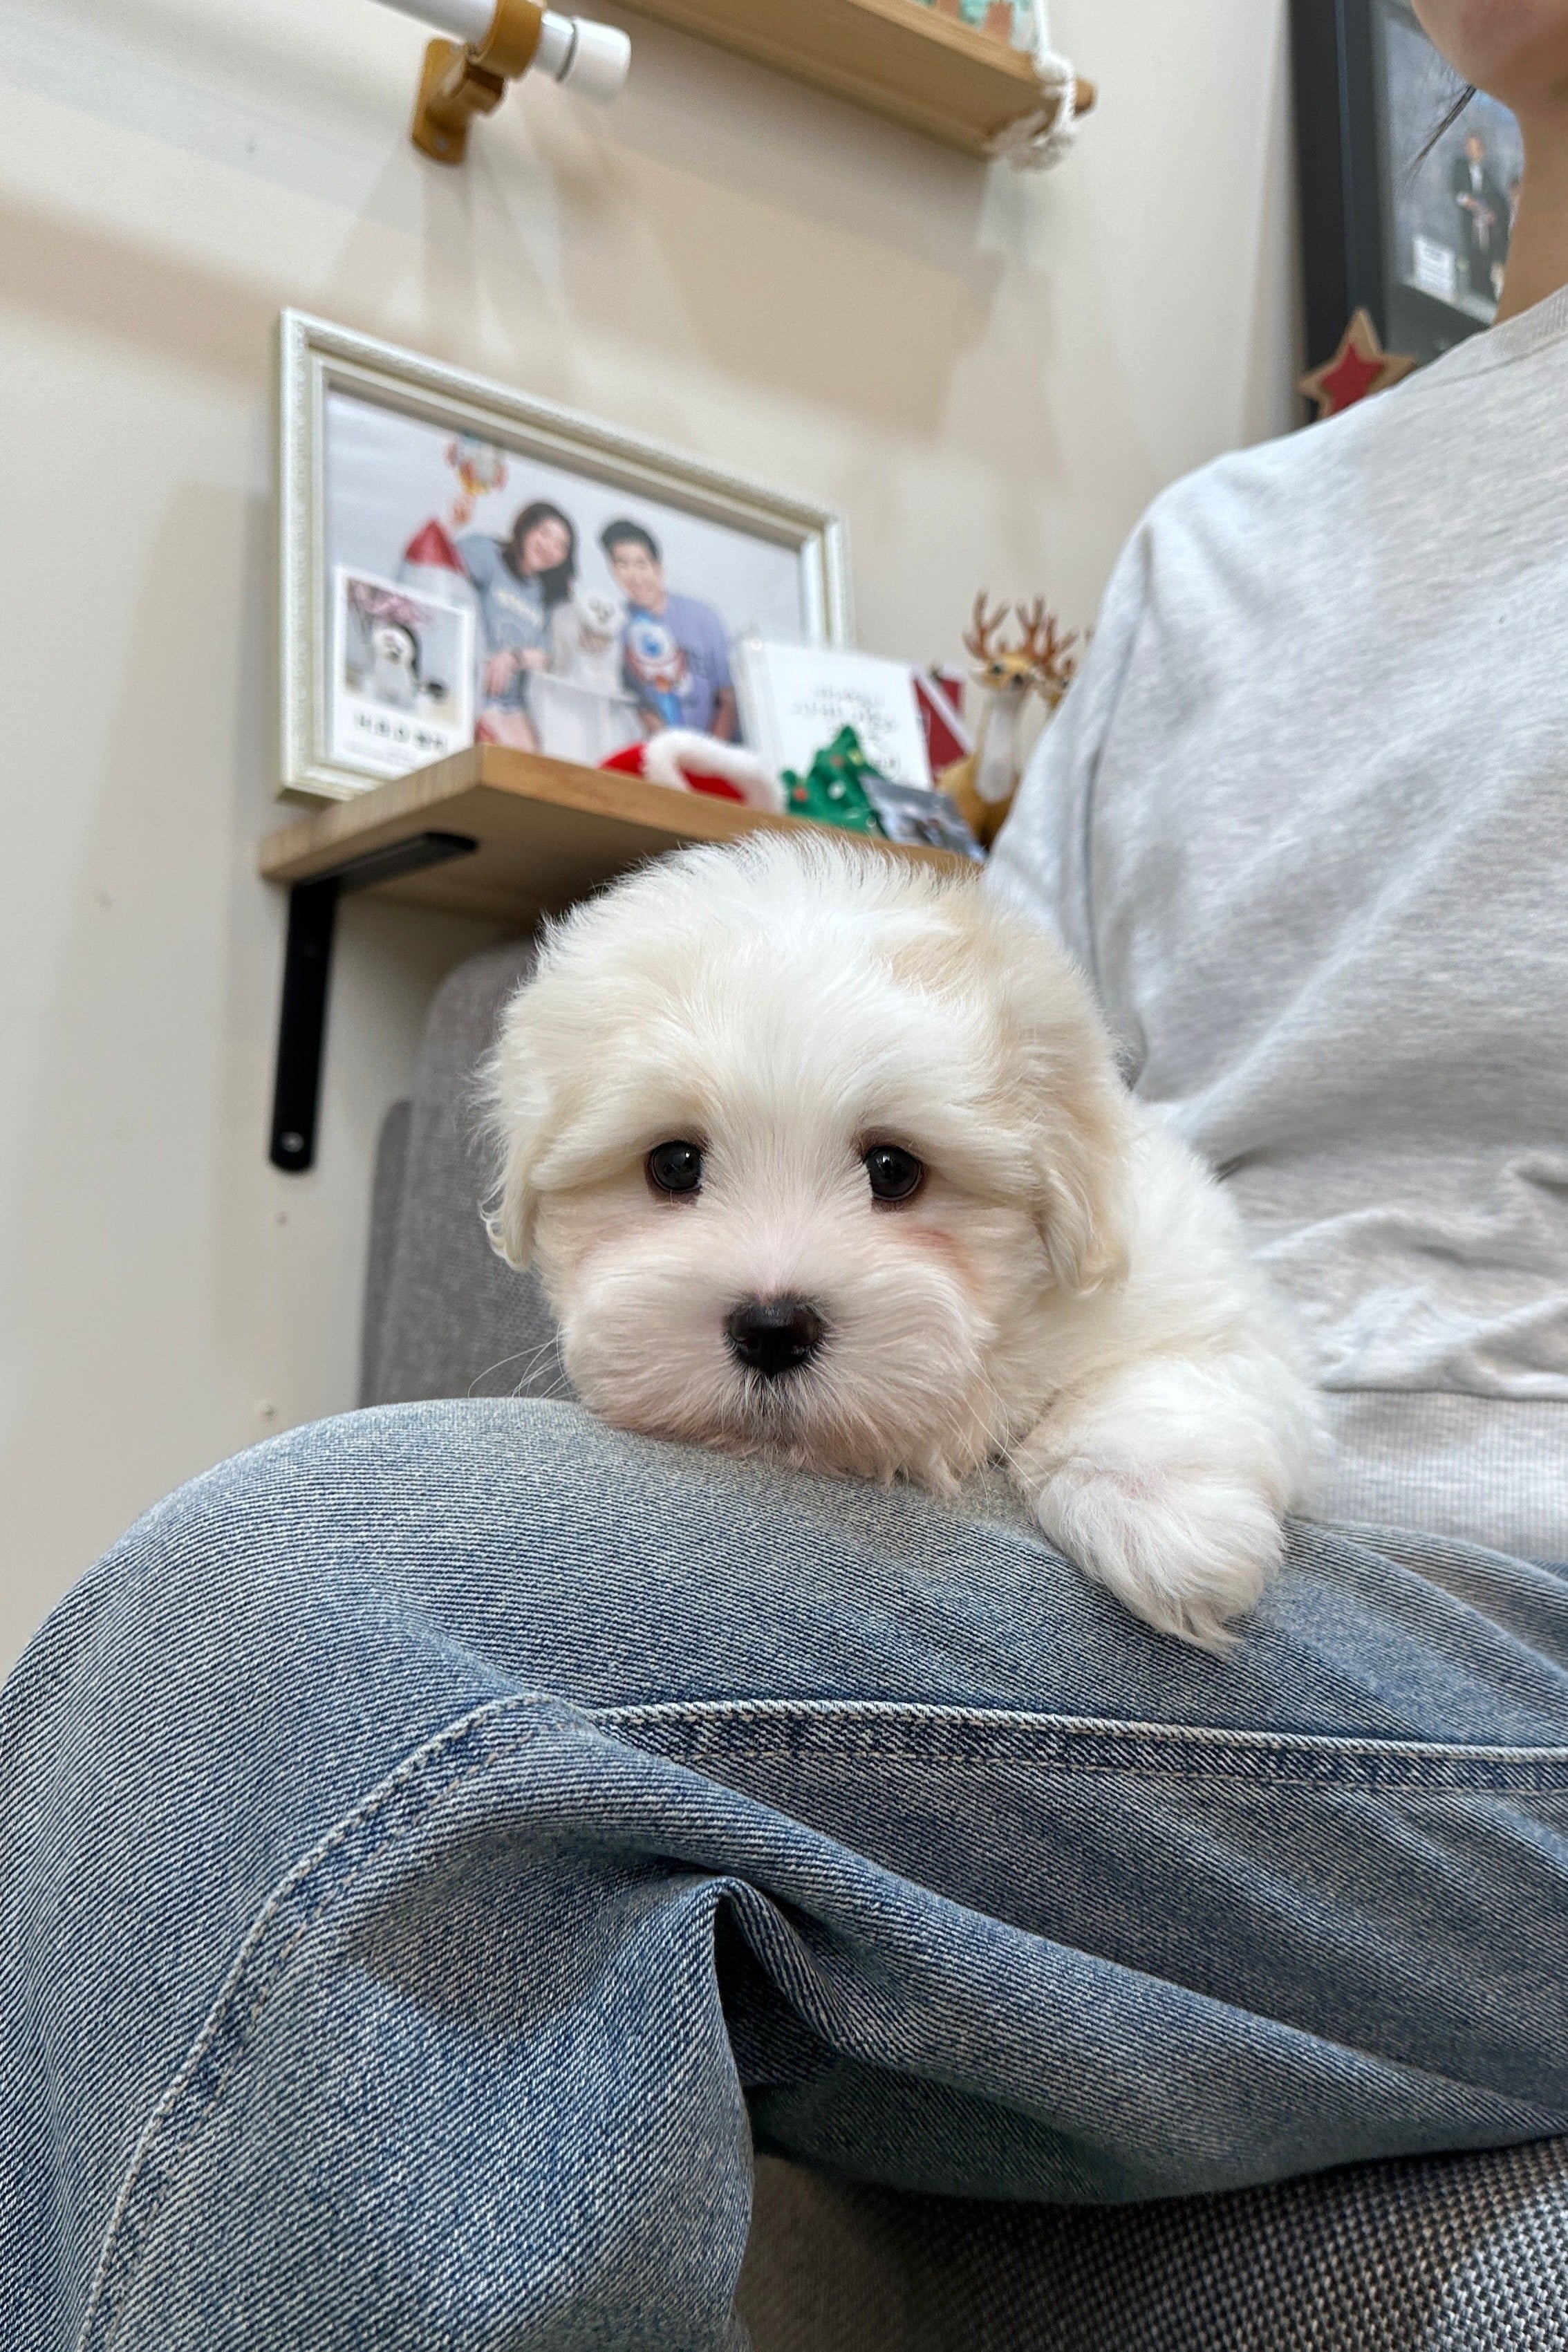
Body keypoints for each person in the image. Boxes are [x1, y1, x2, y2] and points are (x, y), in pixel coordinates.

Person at [4, 3, 1568, 2345]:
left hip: (1473, 1614)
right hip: (1093, 1569)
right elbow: (1009, 1133)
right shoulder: (1217, 551)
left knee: (344, 1647)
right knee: (221, 1659)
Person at [599, 516, 739, 739]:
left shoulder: (703, 617)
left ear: (658, 568)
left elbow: (729, 699)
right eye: (622, 565)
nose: (634, 576)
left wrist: (707, 758)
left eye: (641, 564)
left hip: (717, 755)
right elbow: (638, 706)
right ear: (613, 571)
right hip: (663, 756)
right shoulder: (618, 628)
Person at [458, 498, 577, 750]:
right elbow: (447, 583)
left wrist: (513, 657)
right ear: (526, 528)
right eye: (544, 533)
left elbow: (547, 657)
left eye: (560, 546)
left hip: (511, 703)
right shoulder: (486, 552)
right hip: (471, 686)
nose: (549, 547)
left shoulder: (546, 594)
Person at [1450, 127, 1513, 305]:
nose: (1473, 152)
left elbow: (1496, 205)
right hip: (1464, 229)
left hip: (1484, 237)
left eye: (1477, 148)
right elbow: (1456, 191)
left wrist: (1491, 215)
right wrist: (1467, 201)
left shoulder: (1489, 179)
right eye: (1470, 147)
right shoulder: (1460, 167)